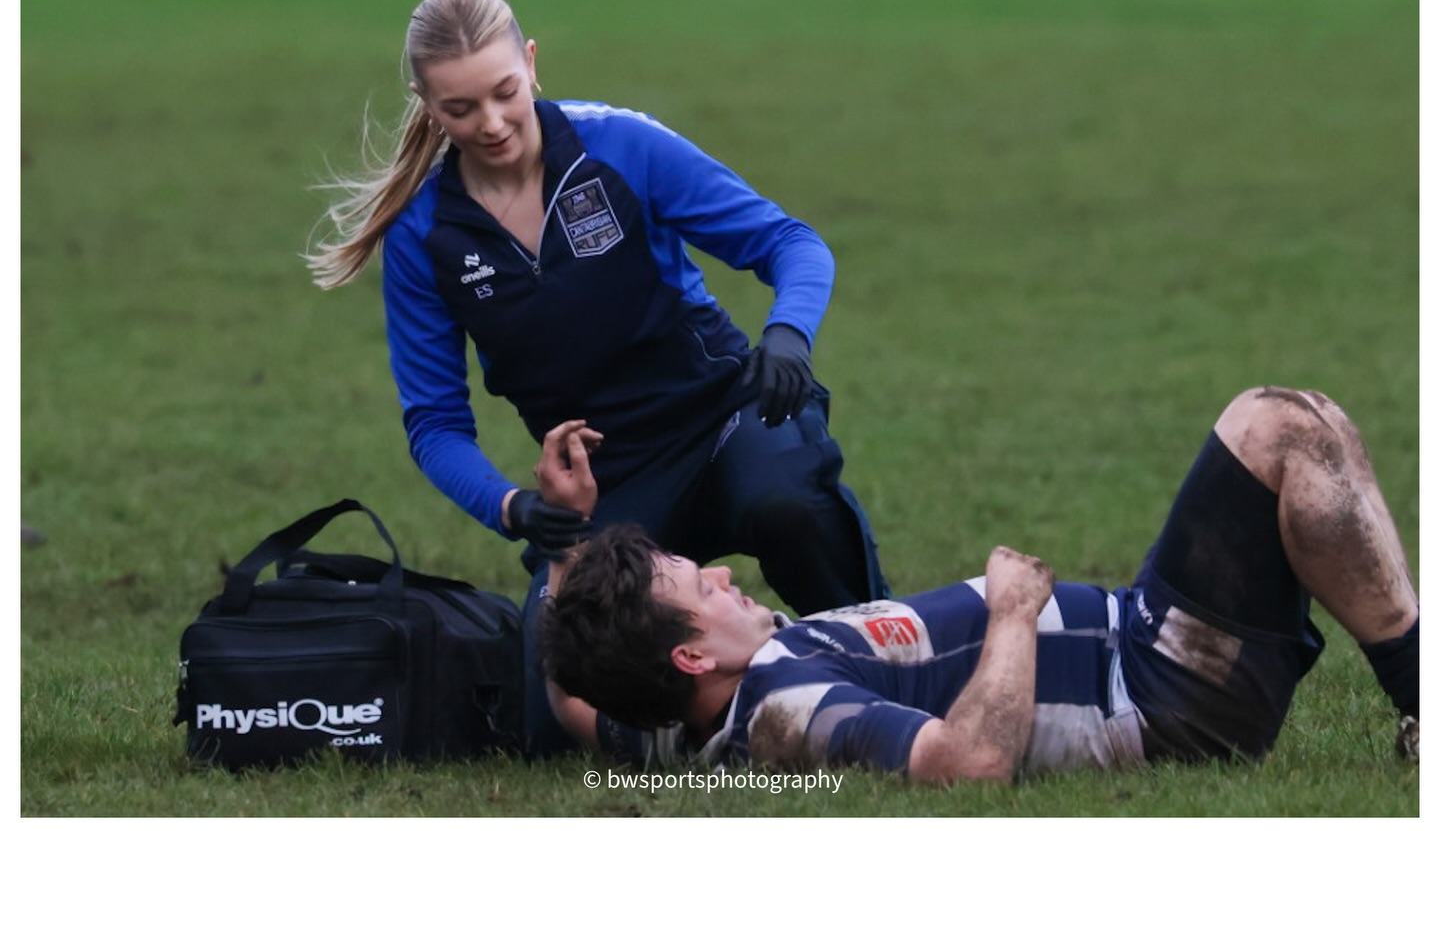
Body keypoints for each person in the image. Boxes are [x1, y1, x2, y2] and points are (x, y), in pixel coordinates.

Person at [305, 0, 888, 758]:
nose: (491, 123)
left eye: (505, 93)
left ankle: (885, 670)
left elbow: (791, 243)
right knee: (551, 728)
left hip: (724, 420)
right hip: (608, 484)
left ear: (533, 63)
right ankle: (734, 722)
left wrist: (787, 335)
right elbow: (435, 425)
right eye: (460, 109)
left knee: (784, 503)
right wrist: (515, 508)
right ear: (426, 103)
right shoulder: (423, 234)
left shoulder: (620, 147)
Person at [541, 386, 1420, 780]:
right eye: (702, 586)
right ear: (693, 655)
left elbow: (570, 692)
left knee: (1302, 426)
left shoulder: (659, 719)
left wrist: (568, 542)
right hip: (1161, 692)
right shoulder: (786, 708)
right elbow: (967, 767)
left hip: (1142, 641)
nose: (726, 574)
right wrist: (1011, 614)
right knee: (1284, 428)